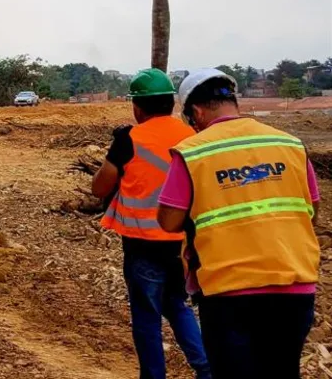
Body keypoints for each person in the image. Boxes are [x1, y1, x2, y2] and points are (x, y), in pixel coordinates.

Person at [157, 69, 321, 379]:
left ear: (196, 112)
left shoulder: (194, 152)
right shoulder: (289, 145)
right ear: (235, 102)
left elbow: (169, 221)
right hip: (294, 286)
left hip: (228, 291)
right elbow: (311, 207)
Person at [91, 69, 211, 379]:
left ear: (138, 107)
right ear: (172, 103)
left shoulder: (129, 139)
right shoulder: (194, 137)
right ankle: (206, 369)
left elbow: (99, 188)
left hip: (142, 245)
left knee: (146, 317)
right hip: (184, 246)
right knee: (177, 305)